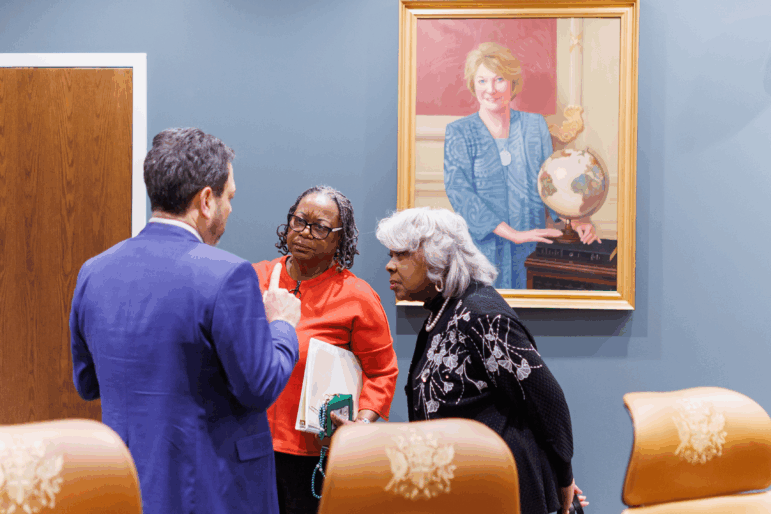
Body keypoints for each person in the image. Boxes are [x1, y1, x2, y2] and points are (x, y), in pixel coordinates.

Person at [70, 127, 301, 514]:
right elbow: (259, 386)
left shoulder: (93, 271)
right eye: (229, 198)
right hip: (214, 490)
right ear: (206, 200)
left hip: (125, 486)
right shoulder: (229, 275)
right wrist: (282, 325)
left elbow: (87, 382)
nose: (230, 209)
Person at [370, 207, 588, 514]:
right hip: (466, 487)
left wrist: (562, 478)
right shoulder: (444, 311)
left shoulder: (481, 315)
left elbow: (547, 398)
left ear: (437, 258)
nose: (390, 267)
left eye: (401, 255)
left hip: (500, 491)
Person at [252, 185, 398, 514]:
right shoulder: (254, 279)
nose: (305, 232)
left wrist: (361, 424)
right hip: (250, 445)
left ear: (339, 240)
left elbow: (382, 371)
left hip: (315, 454)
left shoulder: (357, 296)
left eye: (320, 227)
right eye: (299, 221)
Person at [443, 41, 599, 289]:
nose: (491, 89)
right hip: (481, 250)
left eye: (499, 79)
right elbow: (460, 193)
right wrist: (513, 234)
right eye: (482, 81)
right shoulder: (459, 132)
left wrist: (577, 221)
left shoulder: (535, 126)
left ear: (513, 83)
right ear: (473, 85)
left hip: (531, 250)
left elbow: (552, 185)